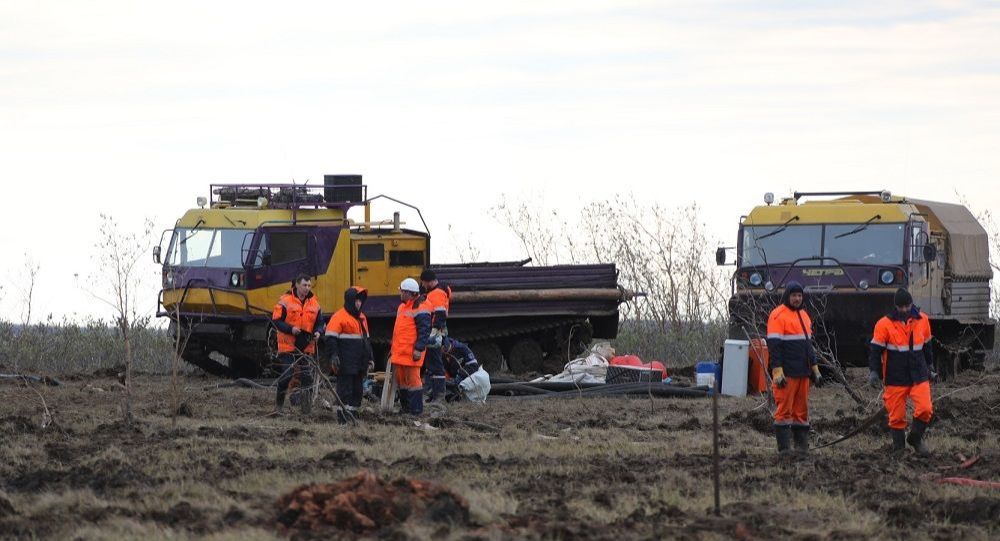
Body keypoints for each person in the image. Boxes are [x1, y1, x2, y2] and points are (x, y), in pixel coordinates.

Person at [868, 287, 935, 455]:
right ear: (895, 306)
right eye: (901, 307)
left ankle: (915, 438)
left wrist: (930, 366)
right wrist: (874, 372)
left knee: (926, 408)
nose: (904, 310)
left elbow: (927, 346)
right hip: (895, 376)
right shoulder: (884, 324)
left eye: (907, 306)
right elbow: (875, 351)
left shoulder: (923, 320)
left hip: (918, 373)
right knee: (896, 417)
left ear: (911, 304)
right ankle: (899, 451)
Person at [765, 281, 823, 454]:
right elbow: (774, 347)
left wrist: (815, 370)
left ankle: (801, 449)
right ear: (787, 296)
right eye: (794, 296)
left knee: (801, 412)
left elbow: (808, 346)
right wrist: (777, 372)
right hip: (787, 374)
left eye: (799, 296)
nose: (797, 299)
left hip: (803, 373)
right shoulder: (777, 315)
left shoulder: (804, 315)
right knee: (783, 411)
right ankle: (784, 451)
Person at [271, 274, 322, 414]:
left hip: (305, 347)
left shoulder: (315, 303)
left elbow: (320, 323)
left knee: (307, 377)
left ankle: (306, 410)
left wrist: (318, 332)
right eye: (304, 285)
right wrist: (290, 329)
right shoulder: (285, 301)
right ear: (297, 285)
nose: (307, 288)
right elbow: (276, 321)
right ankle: (278, 407)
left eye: (309, 285)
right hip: (288, 346)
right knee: (287, 376)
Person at [324, 286, 374, 423]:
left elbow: (366, 341)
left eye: (360, 301)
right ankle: (342, 420)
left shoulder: (362, 317)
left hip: (359, 364)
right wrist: (334, 356)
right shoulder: (339, 316)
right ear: (350, 300)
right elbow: (330, 339)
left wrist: (370, 359)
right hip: (345, 363)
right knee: (345, 392)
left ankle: (352, 418)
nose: (358, 303)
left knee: (357, 392)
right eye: (356, 300)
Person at [390, 278, 431, 415]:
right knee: (403, 383)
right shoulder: (402, 307)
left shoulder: (421, 307)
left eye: (402, 292)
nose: (400, 294)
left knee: (413, 383)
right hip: (401, 353)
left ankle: (415, 411)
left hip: (411, 353)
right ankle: (406, 409)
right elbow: (398, 331)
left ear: (409, 293)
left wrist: (419, 349)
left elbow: (424, 331)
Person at [420, 269, 452, 402]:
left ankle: (438, 395)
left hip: (435, 332)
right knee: (431, 363)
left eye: (423, 283)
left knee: (435, 363)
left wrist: (434, 331)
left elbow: (439, 315)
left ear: (428, 281)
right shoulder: (436, 292)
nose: (422, 286)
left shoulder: (437, 293)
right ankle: (433, 393)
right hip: (435, 331)